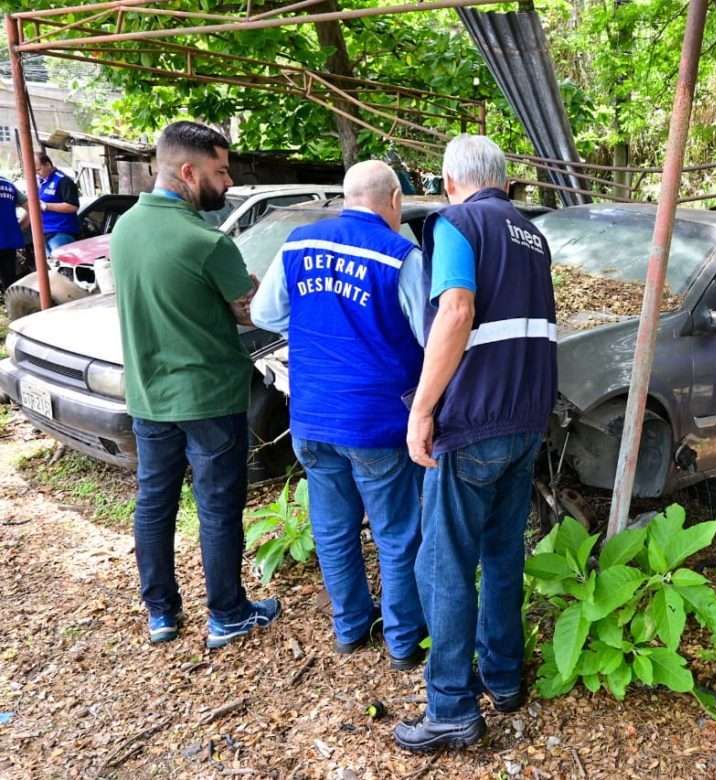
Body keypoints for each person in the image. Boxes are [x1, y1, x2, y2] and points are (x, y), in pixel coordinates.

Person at [394, 135, 557, 752]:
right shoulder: (531, 235)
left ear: (448, 180)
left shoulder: (457, 224)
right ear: (504, 181)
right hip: (526, 416)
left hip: (477, 420)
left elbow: (456, 312)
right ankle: (504, 674)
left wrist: (423, 410)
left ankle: (451, 709)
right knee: (503, 550)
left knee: (444, 564)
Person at [250, 160, 428, 667]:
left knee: (333, 529)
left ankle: (350, 627)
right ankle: (403, 639)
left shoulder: (299, 242)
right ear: (393, 200)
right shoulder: (399, 254)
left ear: (346, 197)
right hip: (376, 419)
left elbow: (264, 315)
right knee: (397, 533)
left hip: (310, 416)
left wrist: (319, 324)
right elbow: (428, 334)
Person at [110, 121, 281, 648]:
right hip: (209, 398)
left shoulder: (124, 230)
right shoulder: (207, 241)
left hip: (147, 394)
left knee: (154, 503)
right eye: (220, 170)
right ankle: (227, 613)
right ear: (188, 171)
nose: (227, 181)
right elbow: (253, 311)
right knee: (218, 505)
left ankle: (161, 611)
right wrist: (246, 293)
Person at [35, 152, 80, 251]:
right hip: (44, 232)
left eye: (38, 169)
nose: (37, 173)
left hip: (61, 232)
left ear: (48, 164)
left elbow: (73, 206)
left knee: (62, 264)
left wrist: (46, 206)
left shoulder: (63, 180)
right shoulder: (42, 183)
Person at [0, 174, 28, 292]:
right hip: (8, 240)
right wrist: (20, 226)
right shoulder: (8, 184)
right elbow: (30, 207)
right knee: (9, 280)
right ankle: (12, 307)